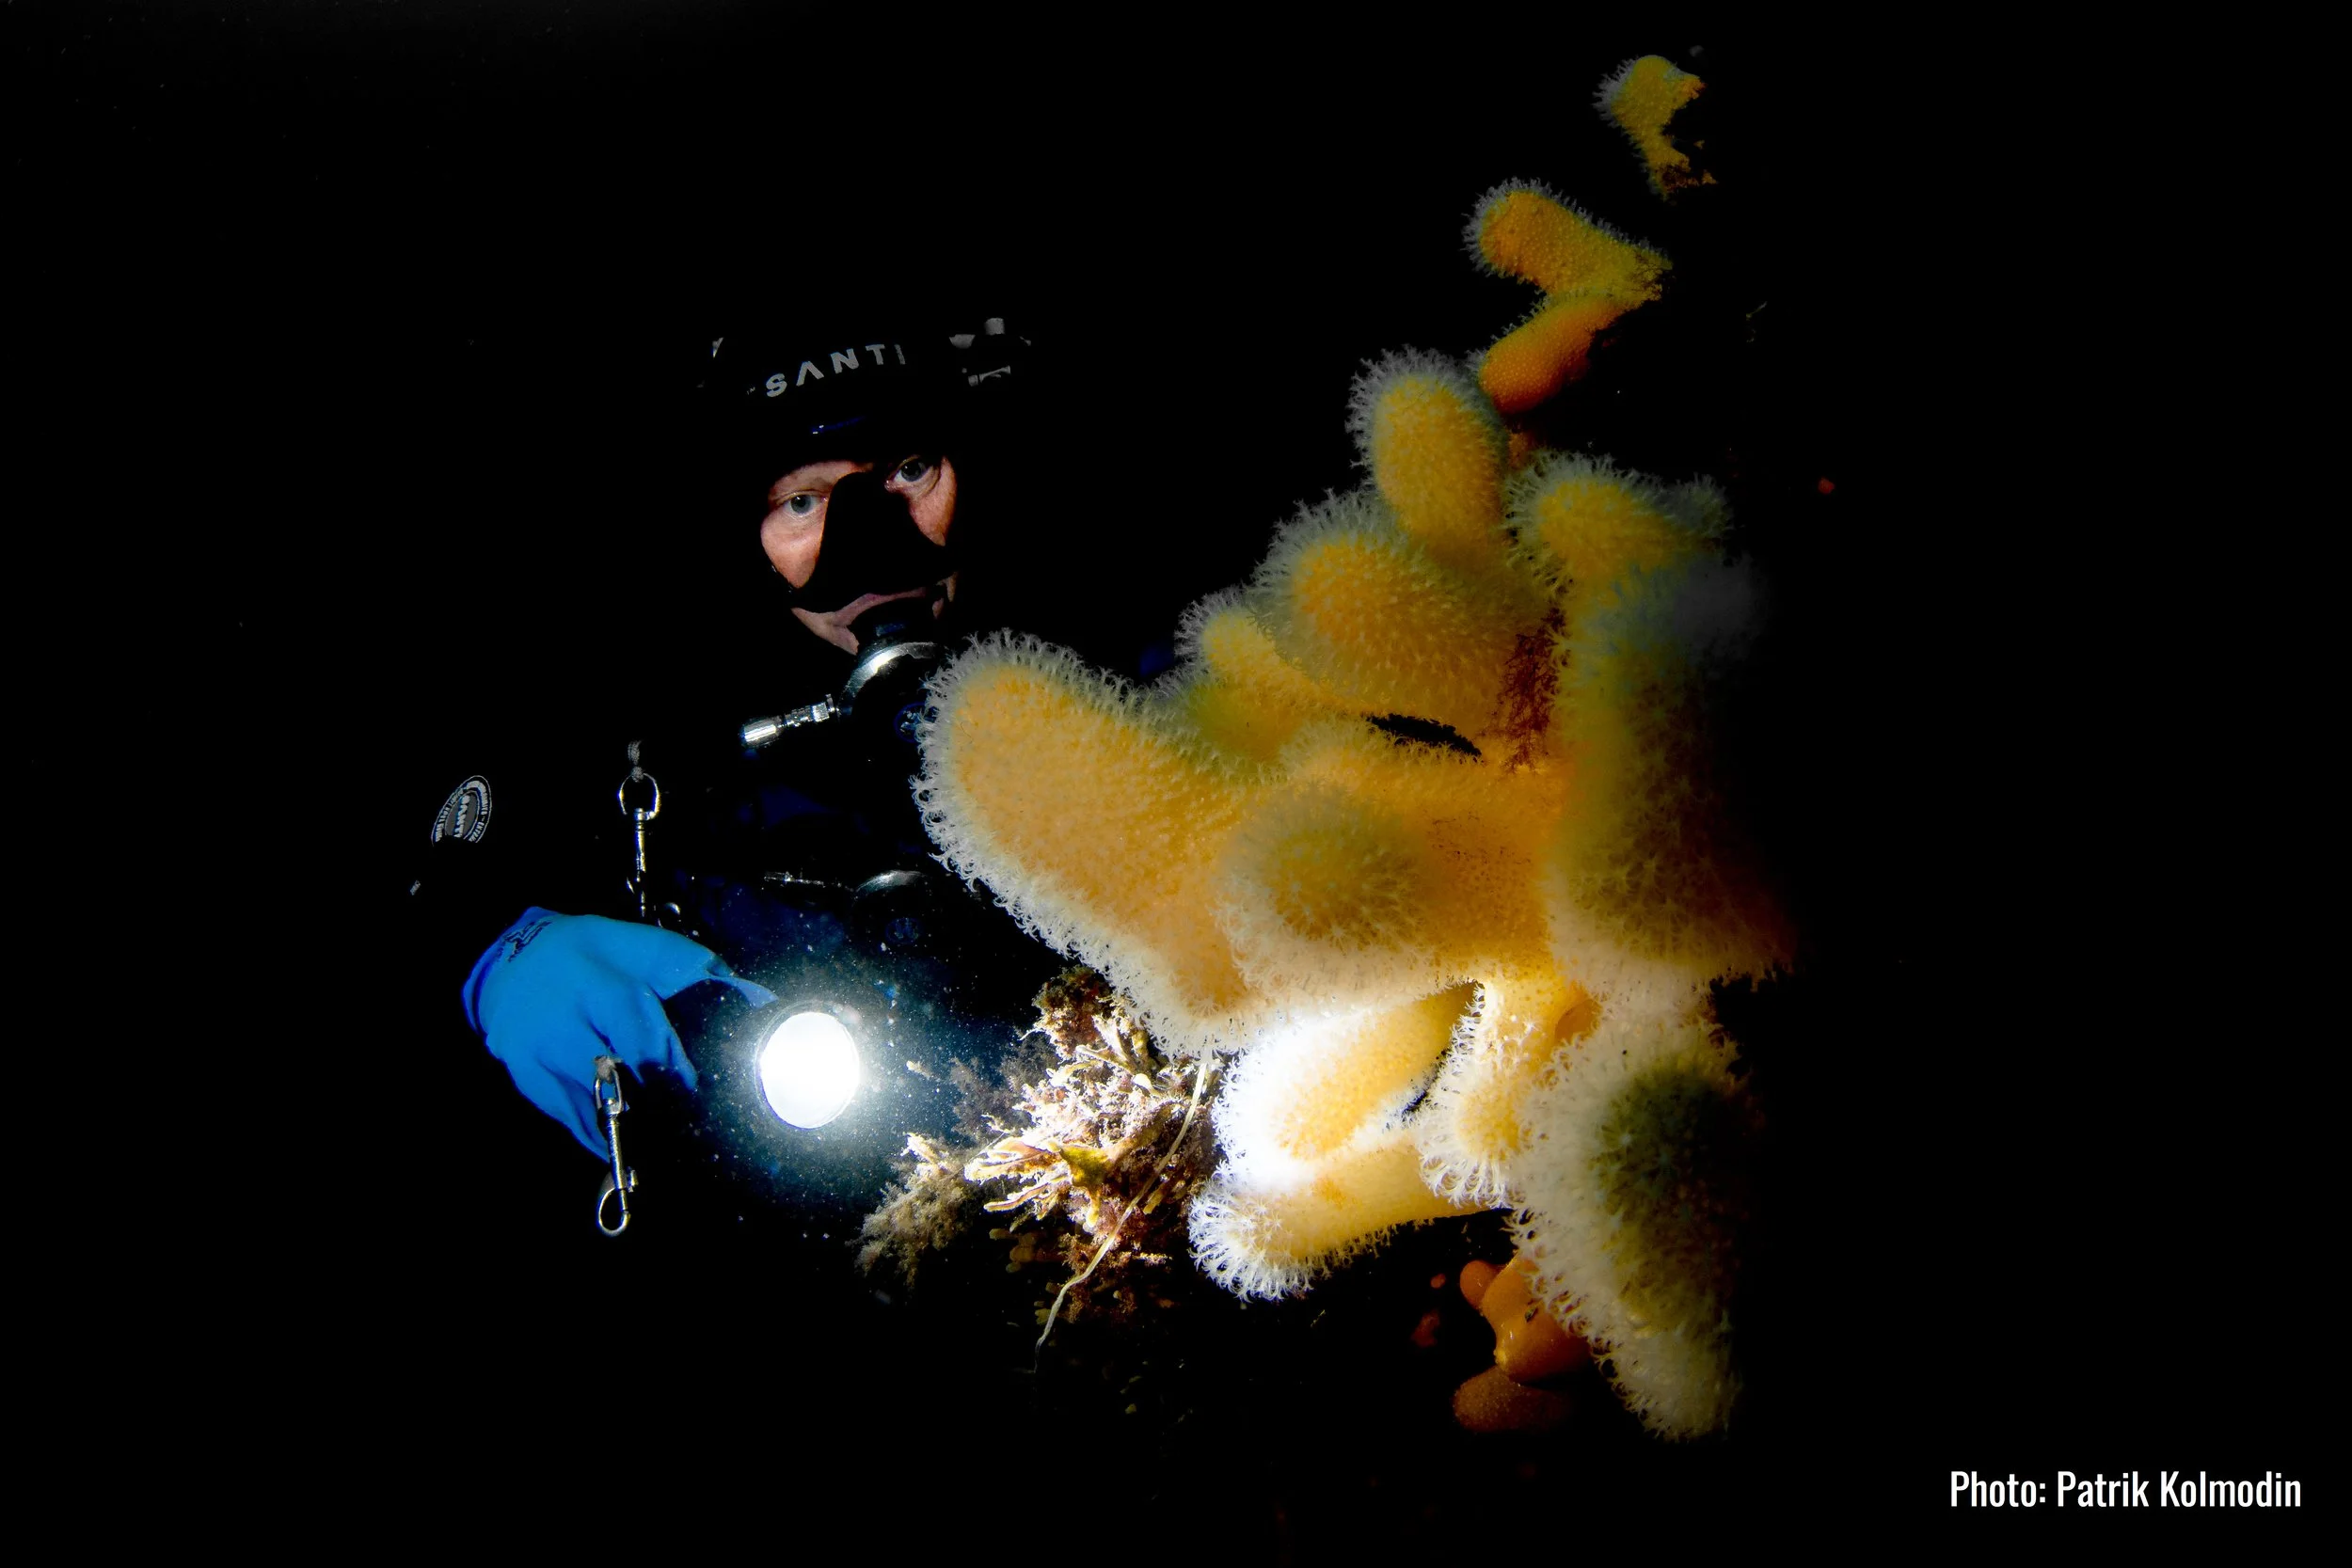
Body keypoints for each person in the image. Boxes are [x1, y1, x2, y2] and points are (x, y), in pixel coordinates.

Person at [403, 311, 1067, 1231]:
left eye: (910, 469)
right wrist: (496, 956)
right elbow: (444, 881)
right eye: (802, 502)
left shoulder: (1101, 627)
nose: (874, 551)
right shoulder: (652, 708)